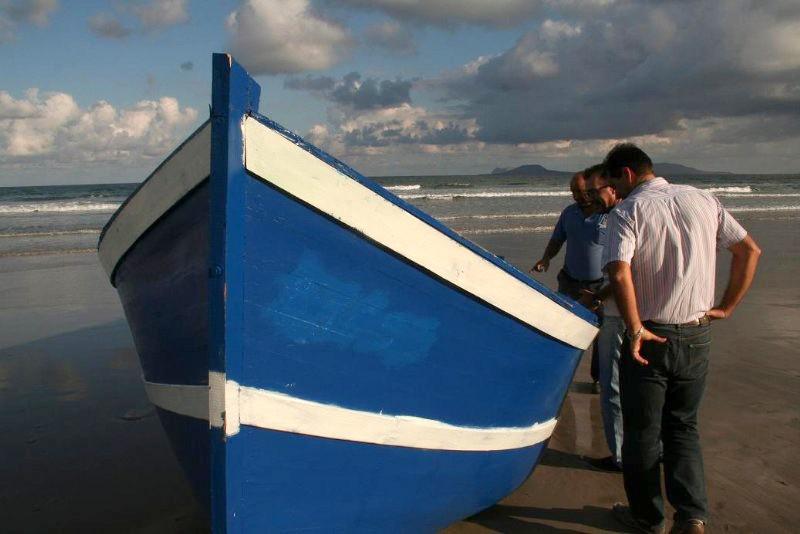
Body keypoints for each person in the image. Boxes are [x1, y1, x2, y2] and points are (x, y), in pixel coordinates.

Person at [602, 144, 761, 534]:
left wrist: (635, 328)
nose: (613, 194)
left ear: (626, 174)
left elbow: (620, 273)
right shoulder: (703, 200)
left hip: (651, 335)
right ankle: (691, 516)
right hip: (696, 333)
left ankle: (647, 517)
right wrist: (726, 307)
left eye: (613, 184)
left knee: (642, 433)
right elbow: (749, 251)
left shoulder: (628, 211)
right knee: (683, 427)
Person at [531, 169, 605, 390]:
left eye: (580, 192)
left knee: (601, 334)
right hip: (570, 281)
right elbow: (557, 240)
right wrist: (545, 259)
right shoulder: (569, 213)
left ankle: (598, 378)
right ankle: (558, 374)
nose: (576, 196)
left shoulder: (608, 215)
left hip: (600, 286)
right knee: (563, 326)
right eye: (573, 191)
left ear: (593, 190)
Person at [583, 166, 625, 472]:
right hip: (627, 311)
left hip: (619, 312)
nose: (590, 198)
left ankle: (621, 455)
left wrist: (599, 295)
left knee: (614, 389)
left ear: (611, 187)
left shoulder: (620, 217)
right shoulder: (611, 216)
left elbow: (625, 272)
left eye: (594, 191)